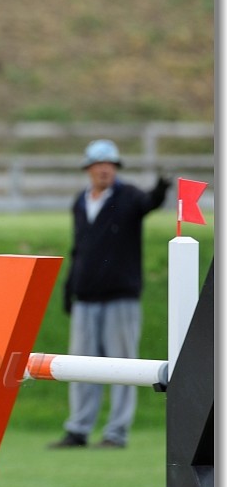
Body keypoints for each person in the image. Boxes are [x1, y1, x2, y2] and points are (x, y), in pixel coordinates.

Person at [49, 139, 170, 449]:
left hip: (121, 297)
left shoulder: (129, 197)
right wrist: (68, 286)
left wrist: (160, 190)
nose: (104, 170)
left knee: (123, 366)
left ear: (115, 169)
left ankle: (116, 432)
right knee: (79, 367)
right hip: (86, 297)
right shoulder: (80, 201)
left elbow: (149, 204)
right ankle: (78, 428)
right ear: (89, 169)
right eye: (98, 165)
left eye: (110, 165)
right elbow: (79, 248)